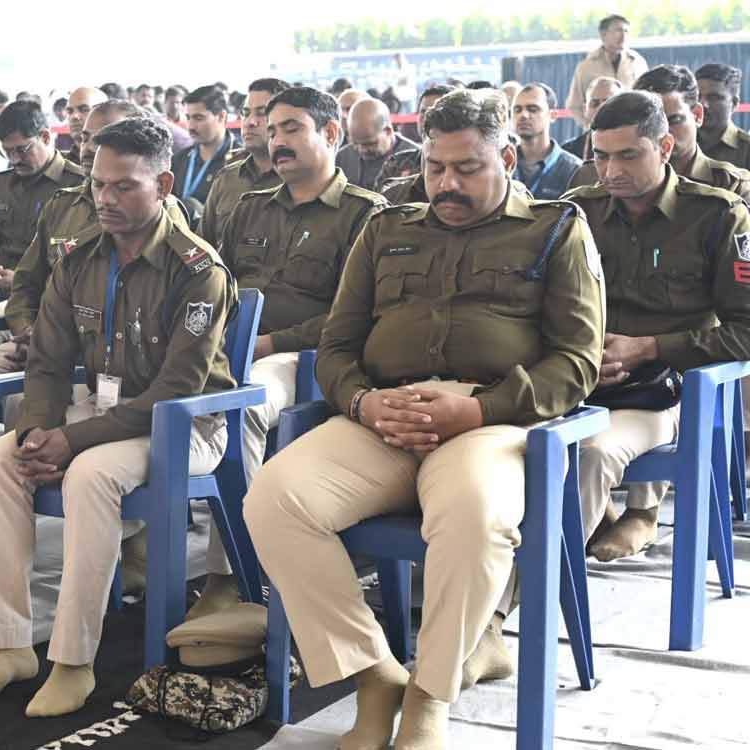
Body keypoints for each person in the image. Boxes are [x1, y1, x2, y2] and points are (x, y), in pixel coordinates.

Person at [243, 88, 603, 750]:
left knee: (471, 514)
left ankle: (431, 693)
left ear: (509, 159)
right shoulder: (387, 228)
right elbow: (336, 346)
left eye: (467, 168)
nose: (447, 183)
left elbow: (576, 364)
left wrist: (476, 409)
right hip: (385, 415)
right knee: (274, 498)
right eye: (436, 167)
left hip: (490, 419)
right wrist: (362, 401)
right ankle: (373, 672)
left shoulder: (556, 228)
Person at [0, 116, 235, 718]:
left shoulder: (197, 271)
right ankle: (8, 646)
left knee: (91, 475)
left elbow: (175, 391)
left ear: (163, 184)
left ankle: (73, 661)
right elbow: (49, 362)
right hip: (102, 413)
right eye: (99, 185)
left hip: (186, 423)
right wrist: (35, 429)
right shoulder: (78, 257)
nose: (105, 199)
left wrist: (70, 439)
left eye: (123, 187)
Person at [216, 86, 387, 618]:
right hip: (232, 348)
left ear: (330, 134)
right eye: (271, 131)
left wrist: (272, 342)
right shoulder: (249, 209)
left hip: (305, 361)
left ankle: (234, 573)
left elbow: (353, 317)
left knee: (241, 404)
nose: (277, 141)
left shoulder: (364, 215)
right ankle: (137, 542)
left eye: (292, 129)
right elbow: (217, 288)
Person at [567, 90, 750, 562]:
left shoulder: (717, 216)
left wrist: (649, 348)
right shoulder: (576, 211)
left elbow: (745, 330)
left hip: (667, 389)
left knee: (591, 453)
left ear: (665, 148)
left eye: (629, 155)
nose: (611, 172)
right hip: (575, 381)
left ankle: (519, 594)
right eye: (601, 157)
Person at [567, 65, 750, 201]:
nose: (661, 132)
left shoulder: (732, 186)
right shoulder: (589, 177)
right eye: (648, 122)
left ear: (697, 115)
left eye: (673, 120)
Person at [0, 100, 85, 307]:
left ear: (45, 137)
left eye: (22, 150)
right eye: (7, 152)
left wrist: (21, 281)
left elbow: (76, 264)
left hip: (41, 297)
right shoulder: (3, 184)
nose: (14, 159)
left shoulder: (77, 185)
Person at [197, 78, 290, 247]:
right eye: (246, 113)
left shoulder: (298, 179)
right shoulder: (227, 178)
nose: (250, 122)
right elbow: (203, 246)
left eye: (262, 113)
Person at [567, 14, 649, 128]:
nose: (623, 36)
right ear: (603, 34)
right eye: (618, 30)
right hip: (599, 132)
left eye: (626, 31)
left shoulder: (638, 63)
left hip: (631, 130)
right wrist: (590, 126)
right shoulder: (586, 67)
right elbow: (574, 105)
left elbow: (647, 100)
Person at [377, 84, 457, 198]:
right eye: (423, 111)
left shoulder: (463, 167)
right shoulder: (396, 164)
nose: (428, 118)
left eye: (437, 112)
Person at [512, 83, 583, 199]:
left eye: (533, 109)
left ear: (553, 115)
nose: (523, 115)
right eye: (517, 110)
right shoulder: (502, 163)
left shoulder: (574, 169)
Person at [171, 85, 239, 205]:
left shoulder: (242, 161)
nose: (191, 126)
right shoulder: (178, 160)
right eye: (188, 118)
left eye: (198, 118)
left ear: (222, 117)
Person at [336, 98, 420, 192]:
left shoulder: (415, 159)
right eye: (355, 143)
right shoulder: (342, 158)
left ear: (388, 131)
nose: (361, 150)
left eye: (369, 144)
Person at [695, 63, 750, 171]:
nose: (703, 104)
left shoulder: (747, 150)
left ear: (734, 103)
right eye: (698, 97)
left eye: (714, 97)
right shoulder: (681, 144)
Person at [563, 77, 624, 160]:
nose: (601, 108)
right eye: (594, 103)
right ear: (585, 110)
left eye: (609, 103)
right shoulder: (569, 152)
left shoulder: (634, 146)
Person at [63, 87, 109, 163]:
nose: (74, 116)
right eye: (70, 111)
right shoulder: (61, 167)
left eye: (84, 109)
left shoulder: (118, 162)